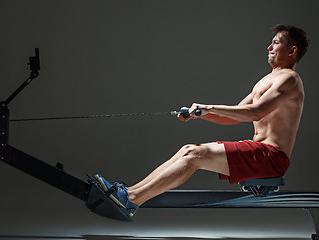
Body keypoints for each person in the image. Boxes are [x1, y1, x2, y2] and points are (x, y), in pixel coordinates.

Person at [96, 24, 310, 216]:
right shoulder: (270, 79)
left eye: (276, 43)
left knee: (193, 155)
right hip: (258, 150)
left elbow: (254, 113)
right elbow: (235, 116)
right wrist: (202, 114)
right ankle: (128, 192)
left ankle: (131, 201)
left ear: (292, 51)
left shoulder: (289, 79)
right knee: (187, 149)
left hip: (271, 157)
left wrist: (208, 107)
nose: (269, 47)